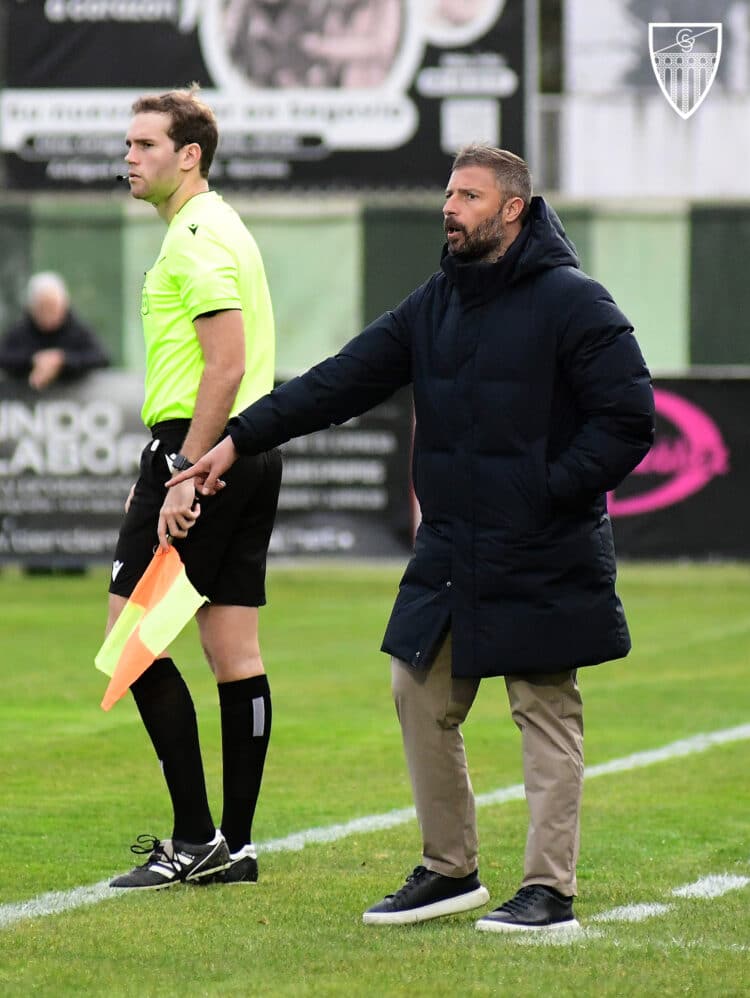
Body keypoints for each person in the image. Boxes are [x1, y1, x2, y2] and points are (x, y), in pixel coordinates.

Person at [168, 144, 655, 930]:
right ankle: (449, 869)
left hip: (542, 543)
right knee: (417, 688)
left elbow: (628, 419)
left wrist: (545, 491)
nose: (449, 208)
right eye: (449, 194)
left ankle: (548, 890)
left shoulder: (575, 301)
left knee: (543, 708)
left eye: (469, 196)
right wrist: (238, 438)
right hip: (452, 549)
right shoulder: (437, 302)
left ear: (513, 210)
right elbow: (338, 380)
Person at [106, 86, 281, 890]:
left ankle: (193, 840)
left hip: (202, 450)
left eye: (145, 145)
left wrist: (183, 469)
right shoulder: (222, 225)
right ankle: (233, 846)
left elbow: (227, 362)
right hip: (249, 448)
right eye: (128, 144)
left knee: (131, 643)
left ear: (189, 156)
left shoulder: (195, 237)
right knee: (232, 649)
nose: (129, 158)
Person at [0, 272, 109, 390]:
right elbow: (5, 356)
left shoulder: (78, 330)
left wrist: (61, 360)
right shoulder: (21, 330)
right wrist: (34, 360)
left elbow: (101, 357)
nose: (48, 315)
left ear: (64, 305)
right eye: (43, 308)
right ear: (32, 308)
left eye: (53, 307)